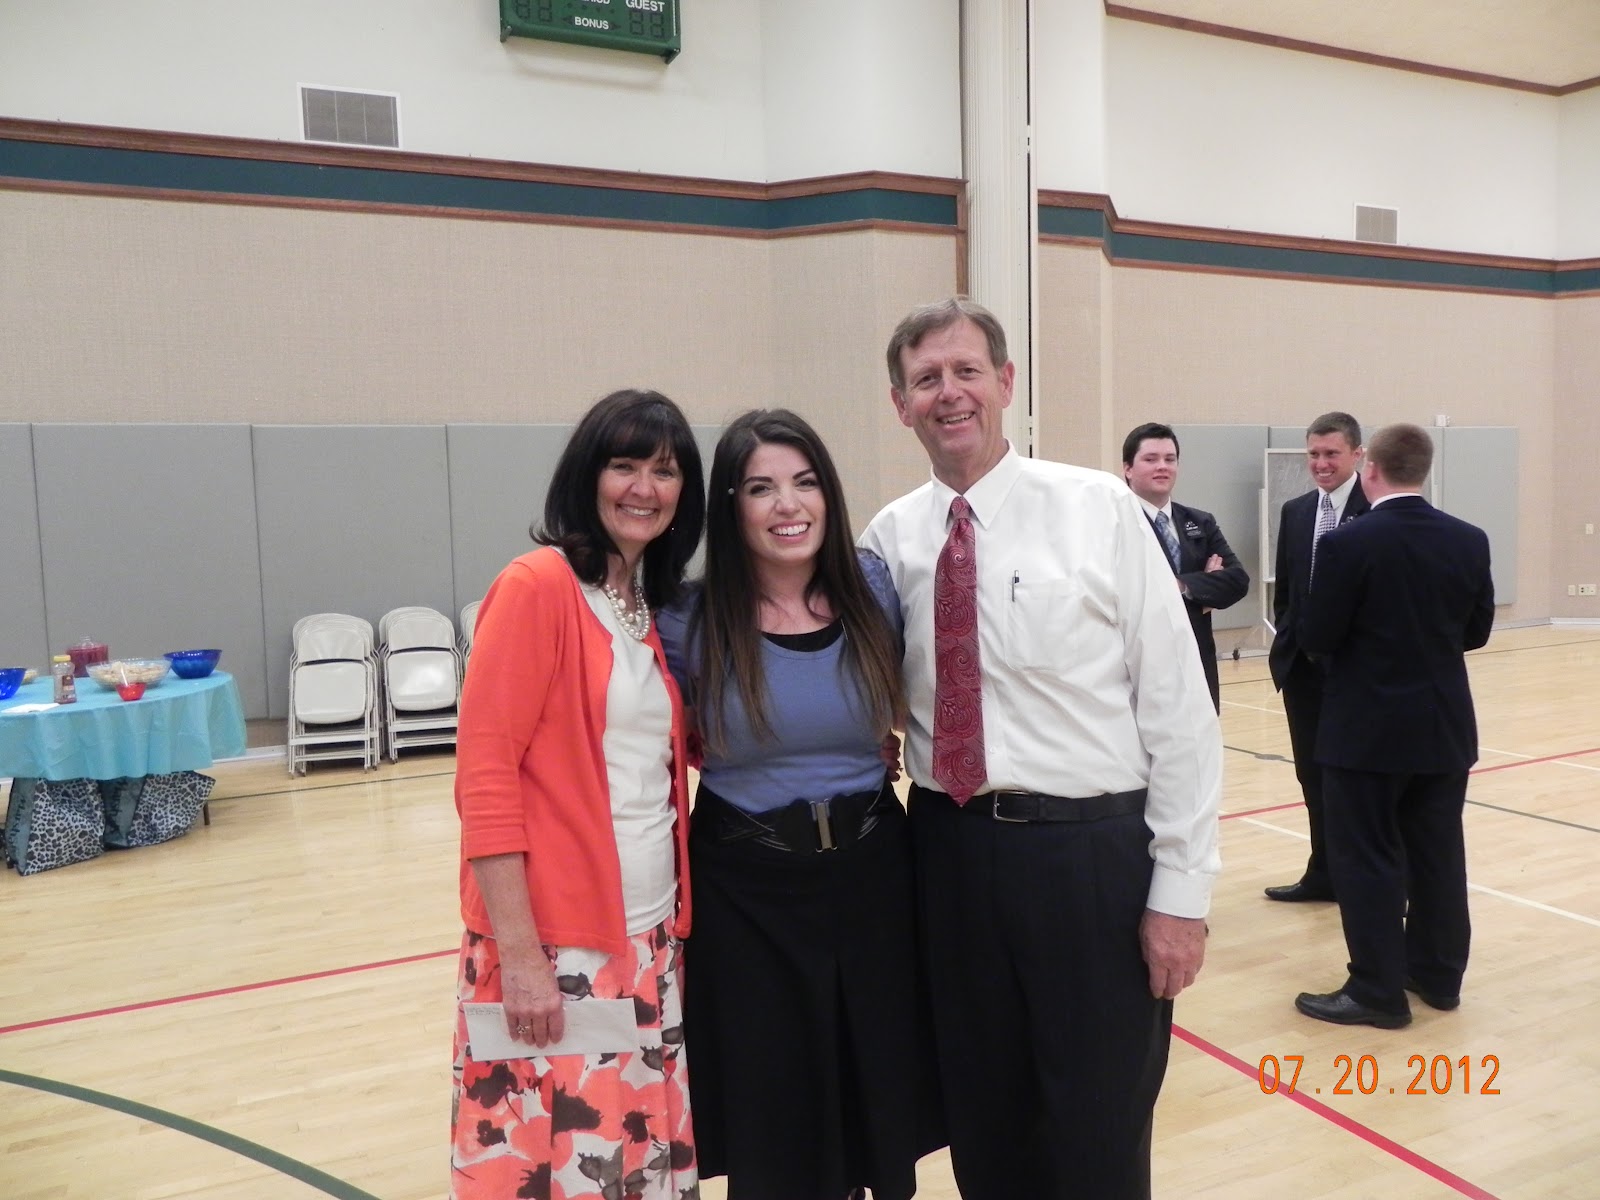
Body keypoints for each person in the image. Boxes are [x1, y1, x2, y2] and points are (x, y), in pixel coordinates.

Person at [860, 298, 1221, 1200]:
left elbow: (1179, 711)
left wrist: (1181, 895)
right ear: (900, 404)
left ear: (1007, 382)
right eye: (926, 379)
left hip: (1088, 863)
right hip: (948, 856)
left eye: (967, 371)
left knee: (1098, 1136)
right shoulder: (888, 540)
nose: (950, 393)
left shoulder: (1099, 508)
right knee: (985, 1129)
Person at [657, 408, 943, 1200]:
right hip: (748, 893)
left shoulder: (873, 589)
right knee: (776, 1114)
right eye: (761, 488)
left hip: (874, 875)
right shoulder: (687, 620)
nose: (788, 505)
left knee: (875, 1097)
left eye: (805, 482)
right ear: (731, 507)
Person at [449, 388, 706, 1200]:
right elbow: (485, 777)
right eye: (624, 465)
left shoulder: (639, 603)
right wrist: (522, 957)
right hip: (558, 946)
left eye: (664, 471)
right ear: (586, 477)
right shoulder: (538, 586)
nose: (644, 488)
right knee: (553, 1168)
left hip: (647, 937)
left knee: (631, 1166)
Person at [1293, 423, 1493, 1029]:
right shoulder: (1469, 539)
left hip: (1367, 732)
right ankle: (1438, 975)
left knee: (1368, 857)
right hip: (1442, 725)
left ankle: (1377, 990)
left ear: (1370, 469)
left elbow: (1318, 634)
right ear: (1423, 471)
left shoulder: (1349, 542)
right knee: (1438, 853)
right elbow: (1477, 631)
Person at [1263, 411, 1370, 903]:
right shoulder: (1297, 511)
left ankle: (1368, 878)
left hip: (1355, 676)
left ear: (1357, 454)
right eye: (1314, 454)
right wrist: (1291, 642)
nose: (1322, 463)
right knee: (1312, 775)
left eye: (1332, 454)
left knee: (1360, 783)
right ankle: (1323, 872)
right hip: (1302, 671)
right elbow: (1287, 592)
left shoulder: (1376, 510)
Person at [1121, 422, 1250, 711]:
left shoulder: (1200, 522)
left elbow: (1238, 580)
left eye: (1170, 459)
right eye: (1151, 459)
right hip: (1139, 669)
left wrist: (1180, 586)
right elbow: (1126, 594)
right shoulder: (1115, 523)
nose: (1162, 466)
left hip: (1197, 665)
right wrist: (1202, 591)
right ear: (1128, 468)